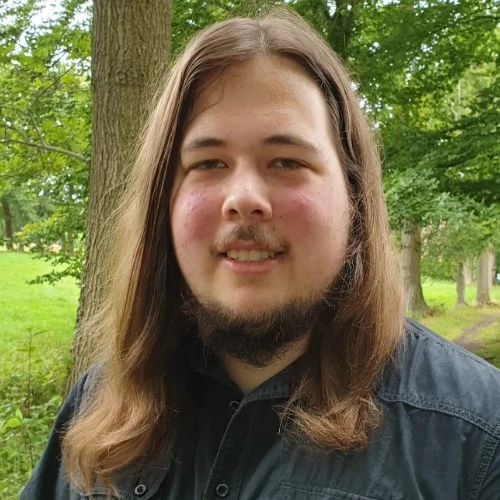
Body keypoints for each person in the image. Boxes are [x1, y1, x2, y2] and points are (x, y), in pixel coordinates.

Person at [22, 10, 500, 500]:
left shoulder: (480, 438)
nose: (244, 197)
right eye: (208, 162)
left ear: (354, 197)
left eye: (287, 161)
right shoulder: (95, 406)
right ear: (163, 203)